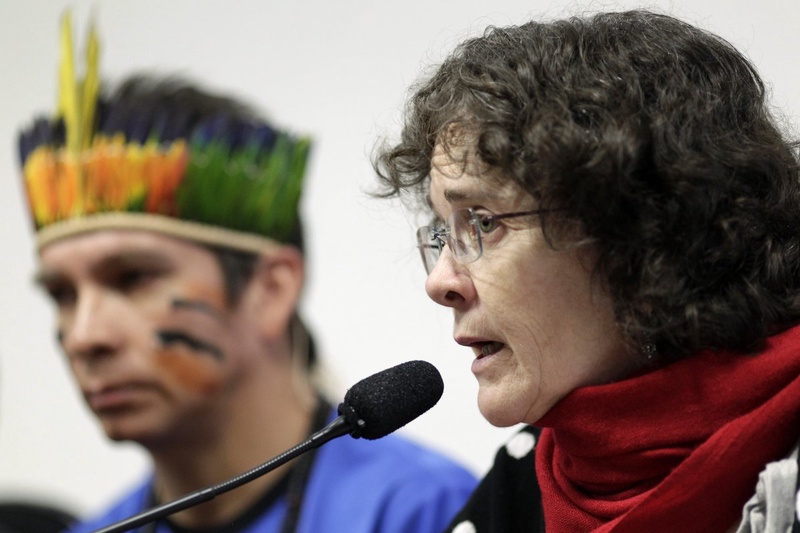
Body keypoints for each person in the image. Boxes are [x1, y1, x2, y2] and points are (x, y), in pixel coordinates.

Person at [16, 15, 476, 533]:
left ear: (271, 288)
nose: (84, 336)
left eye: (133, 279)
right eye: (61, 294)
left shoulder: (426, 512)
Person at [373, 9, 800, 533]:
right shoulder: (524, 478)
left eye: (483, 223)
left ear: (642, 232)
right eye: (443, 233)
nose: (440, 283)